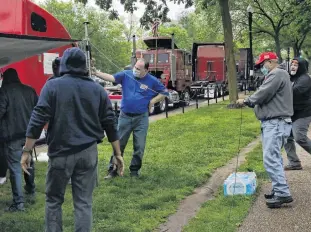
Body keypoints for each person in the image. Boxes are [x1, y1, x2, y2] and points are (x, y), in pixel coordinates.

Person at [21, 47, 124, 232]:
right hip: (88, 152)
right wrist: (118, 154)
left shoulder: (52, 86)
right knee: (83, 203)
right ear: (84, 66)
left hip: (61, 152)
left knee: (53, 201)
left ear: (64, 65)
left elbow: (37, 119)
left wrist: (27, 151)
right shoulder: (97, 89)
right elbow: (110, 122)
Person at [93, 58, 169, 179]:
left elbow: (165, 92)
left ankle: (134, 170)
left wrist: (153, 101)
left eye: (139, 69)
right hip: (125, 116)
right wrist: (97, 73)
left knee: (139, 146)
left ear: (146, 70)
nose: (135, 70)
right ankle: (113, 169)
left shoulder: (152, 81)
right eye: (135, 67)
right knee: (119, 144)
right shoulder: (126, 75)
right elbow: (112, 78)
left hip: (141, 118)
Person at [236, 51, 294, 208]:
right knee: (275, 157)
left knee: (270, 158)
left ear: (270, 62)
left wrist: (247, 101)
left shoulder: (277, 73)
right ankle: (278, 189)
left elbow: (263, 93)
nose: (262, 68)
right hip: (277, 123)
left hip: (275, 123)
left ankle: (282, 193)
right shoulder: (281, 74)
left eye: (262, 65)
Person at [0, 68, 38, 212]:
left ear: (5, 78)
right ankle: (30, 189)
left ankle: (18, 203)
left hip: (11, 135)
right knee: (29, 162)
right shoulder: (29, 90)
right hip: (29, 135)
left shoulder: (4, 92)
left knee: (15, 168)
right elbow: (38, 109)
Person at [284, 58, 311, 170]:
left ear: (302, 67)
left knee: (299, 137)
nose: (293, 66)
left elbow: (294, 92)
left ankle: (294, 162)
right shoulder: (290, 77)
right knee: (286, 136)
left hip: (303, 112)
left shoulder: (305, 79)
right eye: (292, 64)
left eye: (296, 65)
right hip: (291, 112)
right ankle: (294, 163)